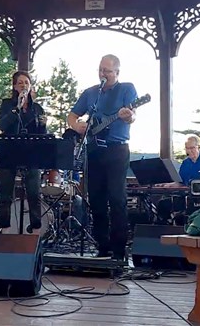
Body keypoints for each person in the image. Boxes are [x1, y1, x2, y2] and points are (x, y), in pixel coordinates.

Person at [67, 54, 137, 261]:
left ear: (117, 72)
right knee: (96, 199)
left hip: (117, 150)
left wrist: (129, 116)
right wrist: (76, 125)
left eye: (107, 70)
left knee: (117, 198)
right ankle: (102, 245)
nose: (103, 74)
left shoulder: (127, 89)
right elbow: (72, 115)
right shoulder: (91, 93)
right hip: (94, 151)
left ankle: (119, 249)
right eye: (100, 69)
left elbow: (132, 116)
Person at [0, 71, 48, 234]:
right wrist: (16, 108)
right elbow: (3, 126)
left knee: (34, 192)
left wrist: (43, 125)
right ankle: (5, 228)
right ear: (14, 87)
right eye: (20, 83)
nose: (23, 85)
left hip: (31, 154)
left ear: (30, 86)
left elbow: (42, 136)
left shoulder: (37, 108)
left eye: (26, 82)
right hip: (9, 152)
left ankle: (35, 229)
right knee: (6, 194)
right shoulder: (7, 104)